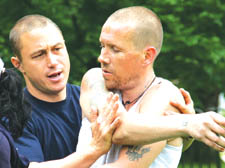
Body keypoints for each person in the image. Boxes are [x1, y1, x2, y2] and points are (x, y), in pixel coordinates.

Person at [77, 6, 225, 167]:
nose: (102, 58)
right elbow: (120, 129)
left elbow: (122, 137)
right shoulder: (94, 79)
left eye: (115, 49)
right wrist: (187, 125)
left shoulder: (164, 96)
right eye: (102, 46)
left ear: (147, 56)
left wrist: (184, 127)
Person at [0, 57, 121, 168]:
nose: (52, 62)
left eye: (57, 48)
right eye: (38, 55)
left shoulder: (82, 97)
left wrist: (94, 149)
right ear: (18, 64)